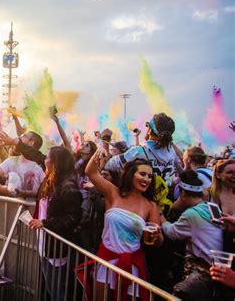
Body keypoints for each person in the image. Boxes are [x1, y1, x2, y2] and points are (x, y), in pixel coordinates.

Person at [79, 152, 163, 301]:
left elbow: (158, 242)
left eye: (150, 176)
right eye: (142, 174)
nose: (147, 179)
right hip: (107, 261)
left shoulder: (151, 206)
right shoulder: (113, 193)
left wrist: (157, 237)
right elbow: (90, 172)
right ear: (131, 175)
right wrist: (98, 152)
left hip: (131, 266)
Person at [28, 146, 83, 301]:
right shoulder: (49, 181)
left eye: (48, 158)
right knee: (49, 287)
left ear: (55, 162)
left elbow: (73, 218)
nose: (45, 160)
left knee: (56, 290)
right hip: (45, 243)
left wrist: (46, 223)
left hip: (55, 248)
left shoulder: (68, 187)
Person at [161, 170, 224, 300]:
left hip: (202, 273)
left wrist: (161, 218)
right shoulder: (213, 207)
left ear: (182, 193)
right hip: (219, 271)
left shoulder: (191, 215)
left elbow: (171, 233)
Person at [104, 113, 182, 184]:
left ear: (150, 130)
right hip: (165, 197)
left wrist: (105, 143)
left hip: (141, 197)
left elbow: (109, 165)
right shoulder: (172, 151)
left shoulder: (139, 151)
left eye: (147, 126)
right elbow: (181, 173)